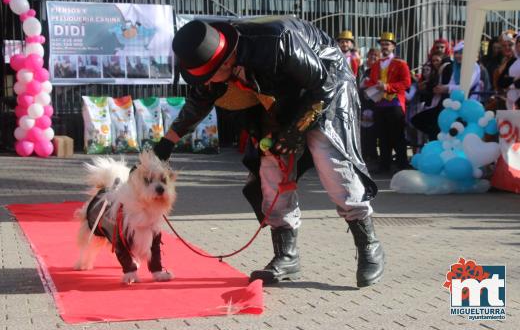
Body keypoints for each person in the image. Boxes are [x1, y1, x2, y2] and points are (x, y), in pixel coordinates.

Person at [153, 17, 383, 287]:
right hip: (276, 95)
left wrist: (296, 130)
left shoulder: (277, 42)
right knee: (271, 166)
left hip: (325, 85)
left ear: (227, 62)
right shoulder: (209, 48)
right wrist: (164, 146)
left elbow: (322, 84)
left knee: (329, 159)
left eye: (209, 76)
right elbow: (199, 101)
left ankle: (369, 245)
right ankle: (286, 256)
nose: (205, 82)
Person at [364, 32, 411, 173]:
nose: (384, 47)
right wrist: (370, 88)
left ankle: (402, 164)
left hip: (395, 103)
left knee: (397, 135)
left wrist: (388, 87)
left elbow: (406, 83)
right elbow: (371, 81)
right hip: (379, 104)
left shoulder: (401, 63)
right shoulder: (377, 64)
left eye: (387, 44)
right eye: (382, 44)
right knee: (382, 136)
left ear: (393, 47)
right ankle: (384, 165)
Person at [359, 48, 380, 162]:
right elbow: (360, 86)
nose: (373, 58)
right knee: (364, 131)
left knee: (374, 131)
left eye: (375, 56)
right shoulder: (364, 71)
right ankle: (365, 152)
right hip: (365, 102)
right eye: (371, 55)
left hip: (376, 103)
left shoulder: (381, 70)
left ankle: (373, 154)